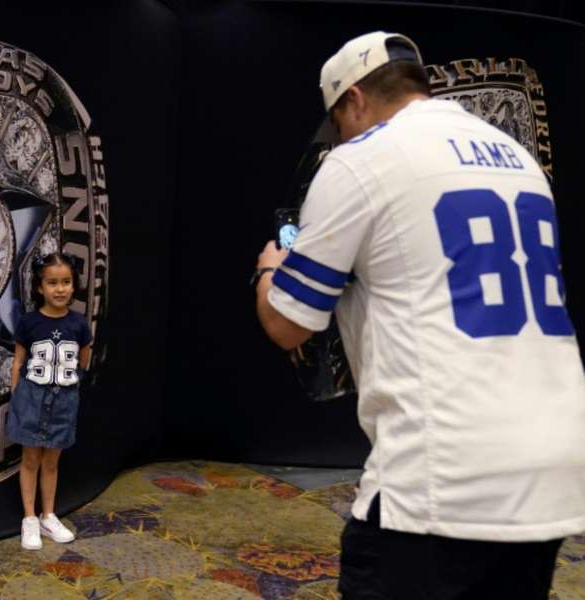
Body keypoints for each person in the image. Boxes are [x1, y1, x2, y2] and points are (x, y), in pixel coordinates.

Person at [253, 31, 585, 598]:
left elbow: (289, 324)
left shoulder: (361, 159)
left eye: (338, 122)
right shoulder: (518, 157)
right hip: (554, 466)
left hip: (447, 475)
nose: (340, 136)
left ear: (354, 99)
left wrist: (267, 271)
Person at [6, 252, 93, 550]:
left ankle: (48, 515)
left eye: (66, 282)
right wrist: (18, 396)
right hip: (32, 396)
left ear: (74, 285)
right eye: (52, 282)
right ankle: (29, 518)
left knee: (52, 462)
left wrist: (71, 386)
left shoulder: (79, 324)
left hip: (64, 398)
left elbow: (83, 361)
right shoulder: (29, 322)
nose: (60, 288)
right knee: (30, 459)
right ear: (40, 287)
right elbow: (18, 362)